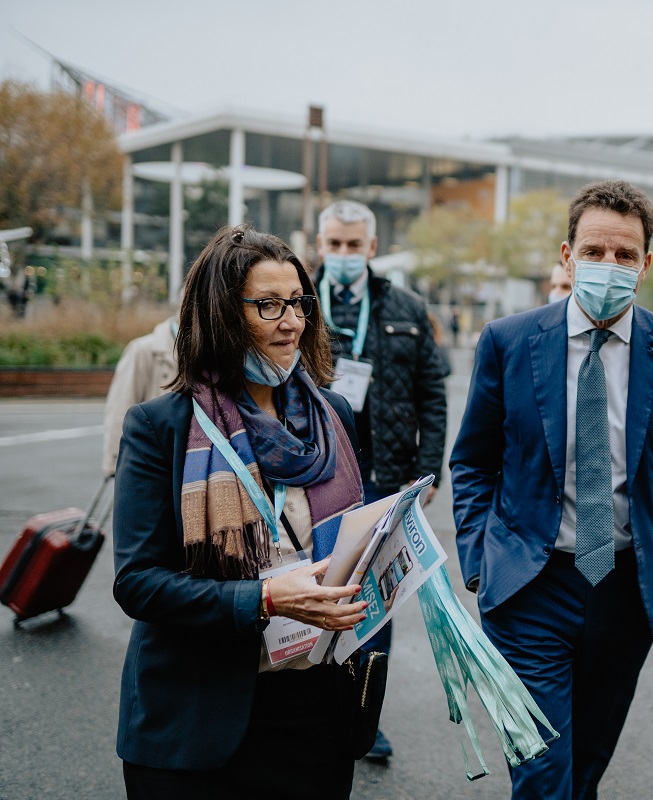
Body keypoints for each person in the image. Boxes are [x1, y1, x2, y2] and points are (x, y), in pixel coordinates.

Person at [451, 180, 653, 799]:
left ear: (645, 265)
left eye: (624, 256)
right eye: (594, 251)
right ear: (567, 256)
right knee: (543, 776)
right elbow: (473, 462)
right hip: (530, 587)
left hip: (625, 590)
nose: (608, 267)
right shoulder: (509, 342)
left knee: (585, 768)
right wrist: (481, 562)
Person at [113, 226, 369, 799]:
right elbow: (138, 583)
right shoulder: (162, 428)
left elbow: (354, 538)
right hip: (198, 720)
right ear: (222, 314)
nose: (292, 322)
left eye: (299, 303)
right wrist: (265, 599)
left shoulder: (334, 416)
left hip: (314, 711)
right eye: (269, 305)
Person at [315, 198, 449, 762]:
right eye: (334, 245)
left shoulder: (406, 307)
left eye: (354, 245)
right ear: (321, 245)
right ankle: (311, 708)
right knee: (314, 589)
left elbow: (433, 396)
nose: (344, 256)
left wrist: (430, 470)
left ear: (371, 248)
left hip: (384, 478)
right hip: (315, 475)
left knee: (375, 601)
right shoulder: (295, 301)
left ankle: (364, 715)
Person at [102, 314, 178, 476]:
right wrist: (115, 462)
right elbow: (121, 407)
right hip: (150, 462)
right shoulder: (142, 349)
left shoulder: (209, 347)